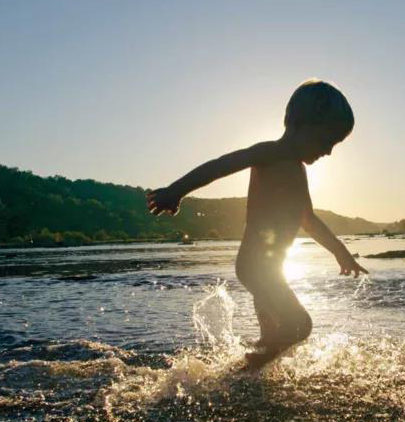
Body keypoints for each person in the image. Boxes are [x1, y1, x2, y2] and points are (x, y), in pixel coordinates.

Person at [146, 79, 368, 368]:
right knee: (299, 326)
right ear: (303, 124)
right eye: (327, 140)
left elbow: (308, 219)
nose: (328, 151)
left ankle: (244, 379)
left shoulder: (297, 169)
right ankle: (246, 373)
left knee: (271, 340)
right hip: (256, 265)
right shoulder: (270, 153)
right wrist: (175, 191)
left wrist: (340, 251)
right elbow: (219, 165)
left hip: (270, 267)